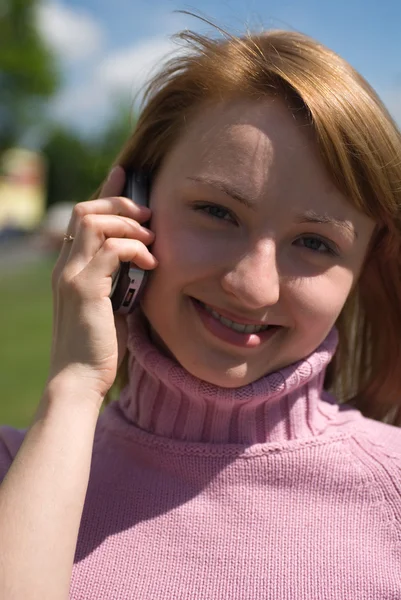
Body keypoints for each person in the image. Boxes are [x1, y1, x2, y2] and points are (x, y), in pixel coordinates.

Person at [1, 22, 401, 600]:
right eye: (217, 212)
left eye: (315, 243)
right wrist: (73, 385)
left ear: (363, 267)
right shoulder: (21, 471)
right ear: (132, 205)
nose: (253, 287)